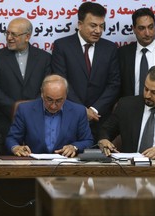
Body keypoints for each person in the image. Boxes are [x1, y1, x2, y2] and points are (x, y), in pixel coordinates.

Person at [51, 2, 120, 141]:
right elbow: (61, 82)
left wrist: (94, 110)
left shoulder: (110, 48)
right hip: (69, 117)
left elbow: (114, 84)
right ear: (80, 24)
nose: (98, 31)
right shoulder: (62, 46)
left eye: (101, 26)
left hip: (100, 119)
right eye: (93, 25)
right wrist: (82, 111)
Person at [0, 17, 51, 142]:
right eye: (7, 33)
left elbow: (48, 88)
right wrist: (15, 107)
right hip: (6, 121)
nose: (9, 38)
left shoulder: (44, 58)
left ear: (27, 37)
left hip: (38, 119)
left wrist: (32, 107)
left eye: (14, 34)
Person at [6, 74, 93, 157]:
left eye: (59, 101)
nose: (53, 105)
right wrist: (16, 148)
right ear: (42, 93)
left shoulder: (78, 111)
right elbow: (12, 139)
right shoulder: (25, 110)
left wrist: (74, 147)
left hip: (66, 165)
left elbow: (88, 141)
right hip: (33, 164)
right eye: (49, 99)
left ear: (66, 96)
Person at [118, 8, 155, 97]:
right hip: (130, 108)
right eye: (142, 28)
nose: (147, 33)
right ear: (133, 29)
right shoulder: (122, 53)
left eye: (151, 27)